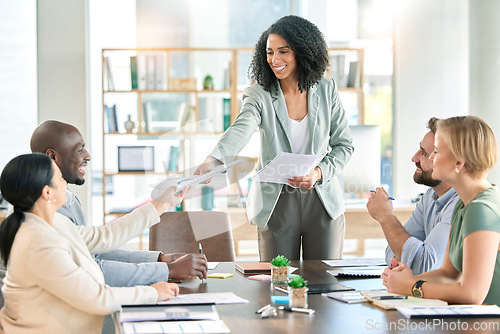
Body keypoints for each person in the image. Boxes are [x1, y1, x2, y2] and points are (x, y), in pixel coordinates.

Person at [194, 15, 354, 261]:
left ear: (302, 52)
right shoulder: (259, 94)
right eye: (269, 52)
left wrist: (319, 173)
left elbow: (344, 146)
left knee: (325, 283)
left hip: (322, 199)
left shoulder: (326, 88)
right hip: (276, 200)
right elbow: (241, 128)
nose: (274, 60)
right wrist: (213, 161)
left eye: (283, 51)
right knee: (277, 282)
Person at [0, 153, 181, 333]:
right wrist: (153, 292)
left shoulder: (51, 222)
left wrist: (162, 204)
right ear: (47, 192)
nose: (65, 183)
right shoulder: (37, 242)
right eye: (60, 178)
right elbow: (96, 298)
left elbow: (102, 236)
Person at [30, 120, 208, 286]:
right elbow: (94, 264)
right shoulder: (47, 210)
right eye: (79, 150)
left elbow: (93, 250)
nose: (88, 156)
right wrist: (169, 270)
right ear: (52, 156)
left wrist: (159, 260)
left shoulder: (66, 198)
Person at [382, 116, 500, 307]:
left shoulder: (481, 209)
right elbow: (447, 274)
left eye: (436, 151)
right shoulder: (463, 203)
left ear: (459, 162)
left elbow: (472, 294)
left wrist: (412, 286)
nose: (430, 158)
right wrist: (406, 279)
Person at [367, 118, 459, 274]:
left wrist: (386, 216)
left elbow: (422, 266)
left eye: (424, 153)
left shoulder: (461, 204)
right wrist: (407, 256)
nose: (414, 158)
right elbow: (391, 253)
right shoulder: (431, 196)